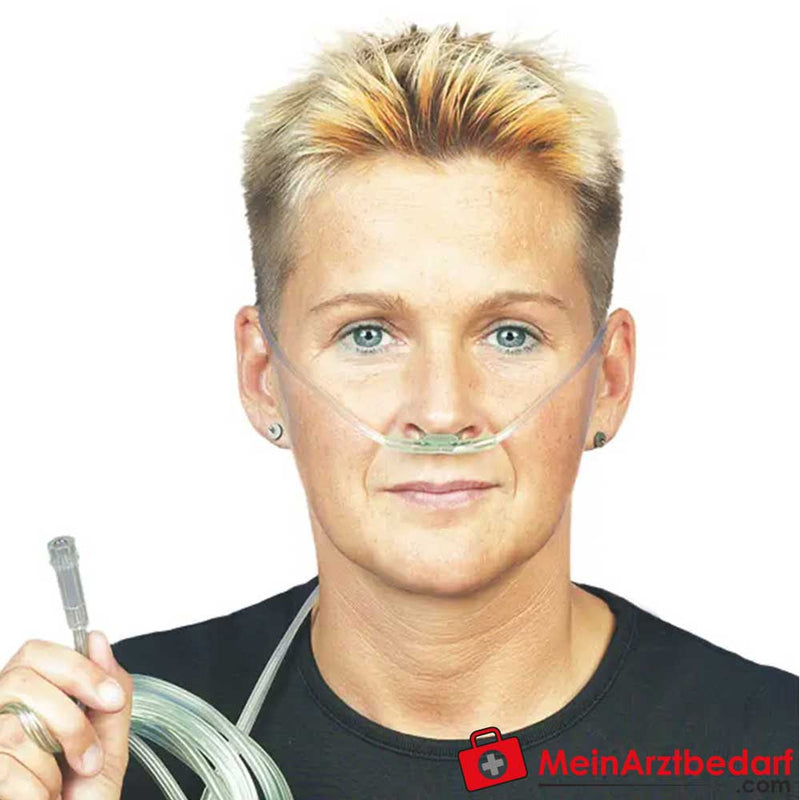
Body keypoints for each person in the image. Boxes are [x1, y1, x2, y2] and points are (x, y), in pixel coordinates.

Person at [1, 21, 796, 800]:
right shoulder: (101, 754)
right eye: (369, 334)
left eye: (511, 334)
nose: (442, 412)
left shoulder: (770, 750)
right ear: (263, 375)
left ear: (609, 379)